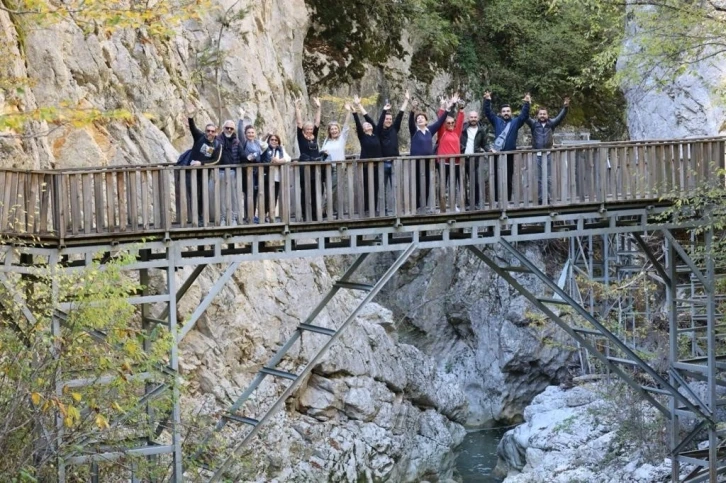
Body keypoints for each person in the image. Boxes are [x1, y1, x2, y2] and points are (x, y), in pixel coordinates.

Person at [409, 94, 457, 212]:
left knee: (426, 184)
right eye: (418, 118)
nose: (420, 119)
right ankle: (416, 207)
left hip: (428, 162)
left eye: (422, 118)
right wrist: (413, 110)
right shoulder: (415, 131)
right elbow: (410, 122)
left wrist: (448, 107)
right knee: (417, 184)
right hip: (416, 162)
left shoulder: (429, 130)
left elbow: (440, 121)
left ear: (426, 121)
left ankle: (424, 206)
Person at [483, 91, 531, 202]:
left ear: (511, 112)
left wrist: (527, 103)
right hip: (497, 154)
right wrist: (487, 100)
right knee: (495, 178)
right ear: (500, 113)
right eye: (504, 111)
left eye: (508, 111)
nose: (506, 113)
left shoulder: (515, 122)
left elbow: (524, 116)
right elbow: (488, 112)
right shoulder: (497, 121)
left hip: (509, 155)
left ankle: (508, 200)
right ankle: (495, 201)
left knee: (508, 178)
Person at [525, 97, 570, 203]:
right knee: (539, 178)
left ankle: (549, 197)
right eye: (540, 114)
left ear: (547, 115)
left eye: (544, 114)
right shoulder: (534, 124)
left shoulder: (551, 123)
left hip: (548, 154)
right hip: (537, 153)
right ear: (537, 115)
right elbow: (525, 117)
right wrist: (527, 103)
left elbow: (560, 117)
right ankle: (541, 198)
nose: (542, 116)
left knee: (548, 177)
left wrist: (565, 107)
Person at [185, 103, 222, 225]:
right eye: (208, 131)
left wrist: (200, 163)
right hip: (191, 172)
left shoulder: (217, 145)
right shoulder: (199, 137)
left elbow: (215, 161)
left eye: (212, 131)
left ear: (216, 133)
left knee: (202, 196)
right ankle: (194, 218)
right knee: (193, 194)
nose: (210, 133)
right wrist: (190, 117)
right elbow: (192, 128)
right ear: (205, 131)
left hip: (205, 174)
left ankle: (201, 217)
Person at [376, 90, 409, 215]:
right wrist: (384, 110)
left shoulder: (394, 129)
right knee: (382, 189)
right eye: (386, 118)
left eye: (390, 119)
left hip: (395, 162)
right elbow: (378, 124)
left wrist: (406, 100)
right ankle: (383, 211)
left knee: (396, 187)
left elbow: (400, 114)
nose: (388, 120)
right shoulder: (379, 131)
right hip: (383, 163)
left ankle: (397, 211)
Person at [352, 95, 383, 214]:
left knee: (375, 188)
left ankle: (374, 209)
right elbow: (358, 125)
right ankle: (365, 209)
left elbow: (370, 120)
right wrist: (355, 113)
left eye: (369, 125)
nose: (368, 125)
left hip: (376, 165)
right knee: (366, 187)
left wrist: (360, 105)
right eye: (365, 126)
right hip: (365, 165)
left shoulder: (376, 135)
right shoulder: (362, 136)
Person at [321, 103, 353, 217]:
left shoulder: (341, 139)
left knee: (333, 189)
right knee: (329, 190)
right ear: (329, 131)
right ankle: (330, 210)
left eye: (335, 129)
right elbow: (322, 152)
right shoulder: (326, 141)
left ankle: (325, 210)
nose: (334, 131)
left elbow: (346, 126)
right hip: (326, 168)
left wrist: (348, 112)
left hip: (337, 168)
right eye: (332, 129)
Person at [294, 96, 322, 221]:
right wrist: (297, 108)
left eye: (311, 129)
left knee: (317, 190)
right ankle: (305, 214)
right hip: (305, 167)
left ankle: (316, 214)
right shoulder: (301, 137)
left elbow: (317, 122)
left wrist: (318, 107)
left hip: (316, 167)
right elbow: (299, 123)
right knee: (305, 191)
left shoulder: (314, 136)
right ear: (305, 130)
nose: (310, 130)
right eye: (308, 129)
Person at [435, 95, 464, 211]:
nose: (451, 124)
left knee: (454, 185)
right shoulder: (442, 132)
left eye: (453, 123)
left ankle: (454, 205)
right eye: (449, 123)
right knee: (443, 185)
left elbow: (461, 121)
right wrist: (443, 107)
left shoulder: (456, 132)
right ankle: (442, 206)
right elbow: (441, 119)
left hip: (456, 163)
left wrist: (460, 108)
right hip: (443, 163)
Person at [210, 118, 242, 225]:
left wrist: (252, 158)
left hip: (233, 171)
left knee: (234, 196)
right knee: (221, 196)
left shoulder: (236, 141)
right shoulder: (217, 140)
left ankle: (234, 218)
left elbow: (242, 154)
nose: (229, 130)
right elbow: (210, 153)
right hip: (220, 171)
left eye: (231, 128)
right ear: (223, 128)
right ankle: (223, 218)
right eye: (227, 128)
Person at [237, 115, 268, 223]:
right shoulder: (244, 142)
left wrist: (268, 135)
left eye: (252, 132)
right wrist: (241, 119)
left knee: (255, 194)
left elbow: (262, 147)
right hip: (247, 172)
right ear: (246, 134)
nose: (250, 134)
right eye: (248, 132)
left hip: (256, 172)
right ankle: (247, 216)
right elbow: (239, 131)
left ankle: (253, 215)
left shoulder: (256, 143)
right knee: (248, 194)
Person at [460, 110, 492, 209]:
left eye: (475, 117)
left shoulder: (481, 130)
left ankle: (476, 202)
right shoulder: (463, 128)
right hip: (463, 158)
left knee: (475, 181)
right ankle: (465, 203)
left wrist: (489, 149)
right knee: (463, 182)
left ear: (477, 118)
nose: (473, 119)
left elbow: (484, 144)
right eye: (471, 117)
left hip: (475, 159)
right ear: (468, 118)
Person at [260, 133, 291, 222]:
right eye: (272, 139)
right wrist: (266, 135)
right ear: (269, 141)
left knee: (274, 197)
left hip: (276, 177)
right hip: (266, 177)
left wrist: (279, 161)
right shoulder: (265, 148)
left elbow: (288, 158)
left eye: (276, 140)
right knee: (265, 196)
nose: (274, 141)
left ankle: (271, 215)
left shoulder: (281, 150)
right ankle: (263, 215)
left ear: (278, 142)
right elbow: (261, 143)